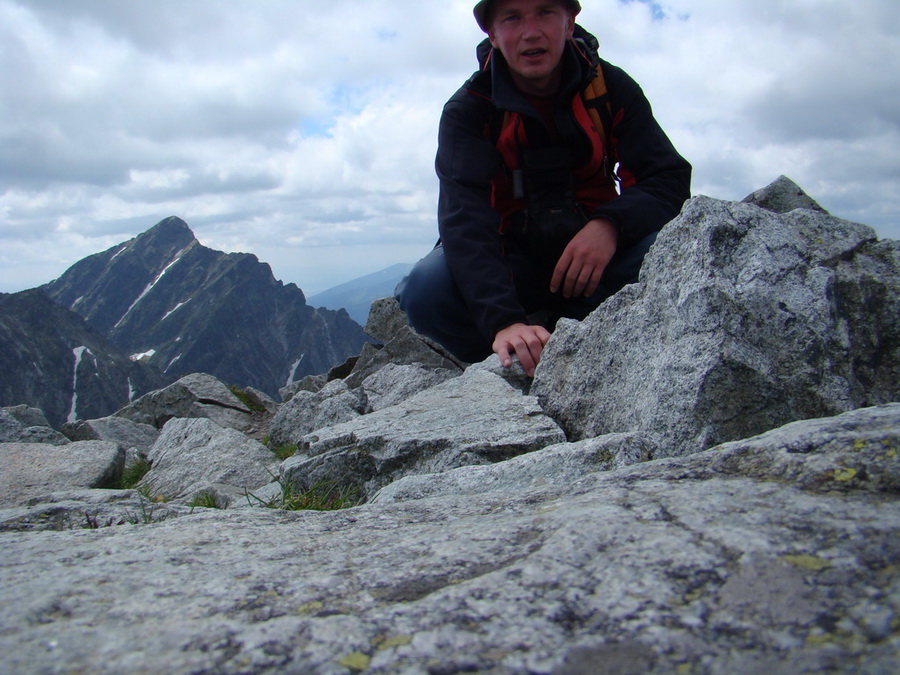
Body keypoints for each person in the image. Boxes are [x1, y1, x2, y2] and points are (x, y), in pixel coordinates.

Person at [396, 0, 691, 376]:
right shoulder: (470, 109)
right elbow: (465, 219)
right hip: (513, 262)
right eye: (512, 18)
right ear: (493, 34)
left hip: (600, 259)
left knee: (678, 249)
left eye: (545, 12)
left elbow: (667, 178)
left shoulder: (611, 88)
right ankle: (507, 367)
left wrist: (610, 225)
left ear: (570, 24)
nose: (530, 31)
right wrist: (503, 321)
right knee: (426, 291)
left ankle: (594, 340)